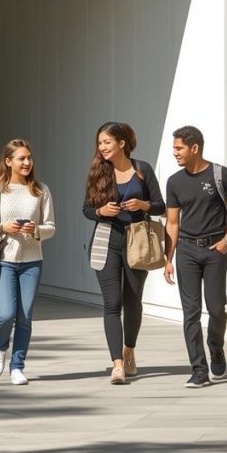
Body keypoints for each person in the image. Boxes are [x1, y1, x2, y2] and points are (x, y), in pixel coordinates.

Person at [164, 125, 227, 389]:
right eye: (174, 147)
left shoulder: (220, 174)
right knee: (190, 312)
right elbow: (173, 223)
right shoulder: (174, 181)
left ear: (194, 148)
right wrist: (168, 258)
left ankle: (217, 348)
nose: (174, 152)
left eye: (179, 148)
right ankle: (199, 369)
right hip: (186, 251)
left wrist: (226, 242)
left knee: (216, 309)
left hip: (215, 250)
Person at [82, 121, 166, 384]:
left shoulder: (142, 170)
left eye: (107, 142)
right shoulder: (98, 171)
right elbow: (85, 208)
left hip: (137, 242)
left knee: (132, 303)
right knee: (111, 304)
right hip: (106, 241)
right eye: (99, 143)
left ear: (121, 143)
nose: (102, 147)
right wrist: (100, 212)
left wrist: (143, 204)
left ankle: (129, 351)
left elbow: (161, 206)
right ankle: (117, 364)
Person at [0, 138, 56, 386]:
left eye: (29, 157)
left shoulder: (40, 190)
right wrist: (3, 227)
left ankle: (17, 366)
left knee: (25, 317)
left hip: (32, 261)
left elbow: (51, 227)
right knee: (6, 314)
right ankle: (0, 347)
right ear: (8, 161)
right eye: (21, 158)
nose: (27, 162)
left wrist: (36, 230)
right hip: (4, 261)